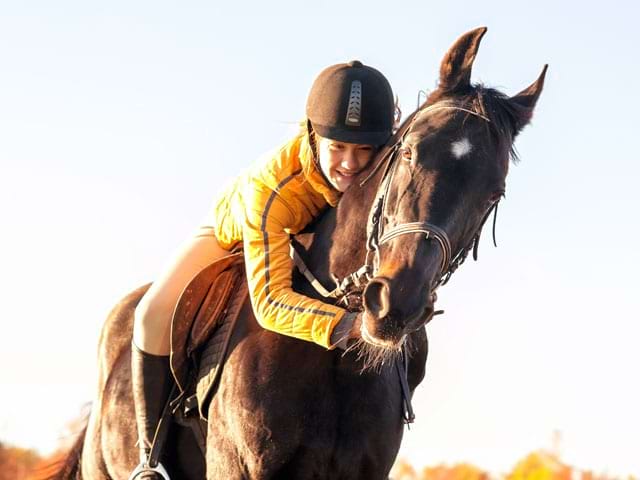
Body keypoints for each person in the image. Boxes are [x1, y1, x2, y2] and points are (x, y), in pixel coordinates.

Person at [129, 60, 396, 479]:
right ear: (313, 134)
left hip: (314, 244)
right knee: (150, 314)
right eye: (337, 147)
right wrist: (350, 327)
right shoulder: (271, 187)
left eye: (364, 150)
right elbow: (271, 303)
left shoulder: (385, 173)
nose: (349, 163)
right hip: (237, 234)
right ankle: (149, 457)